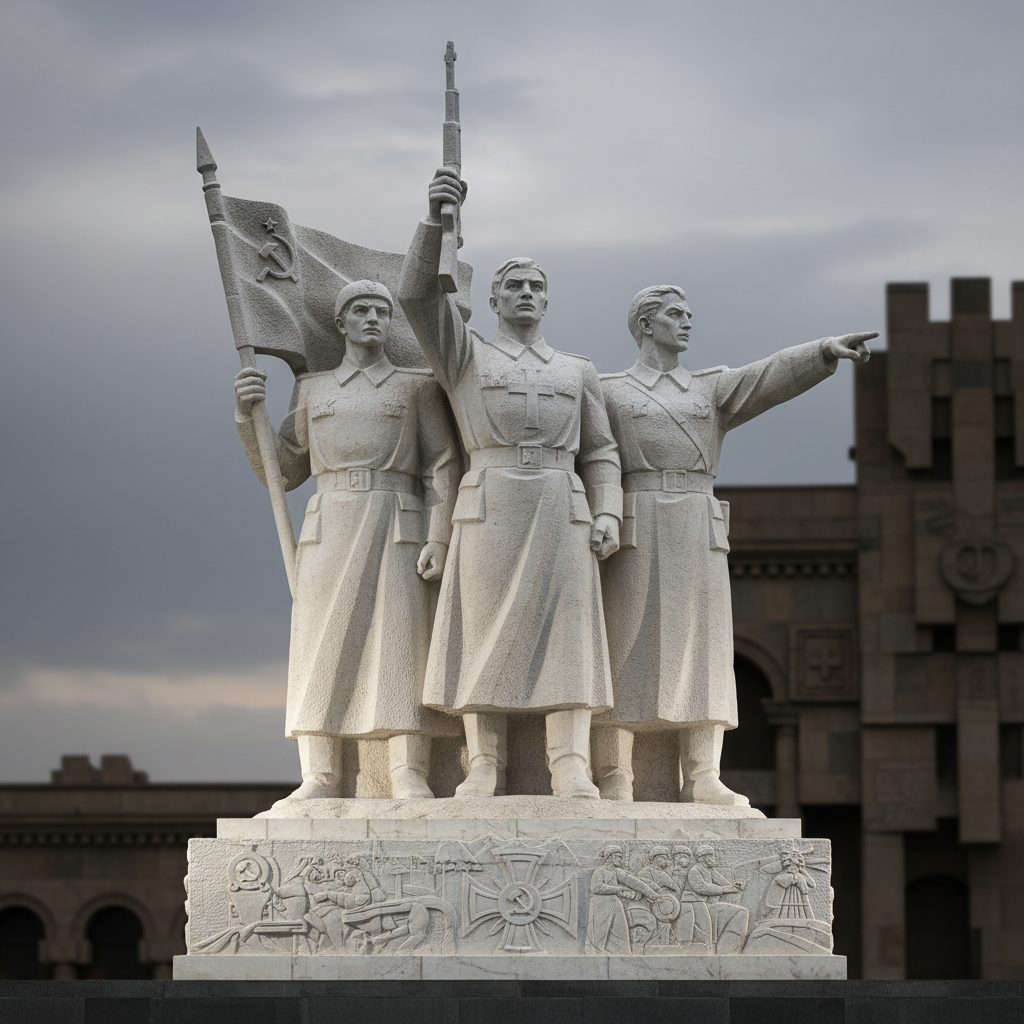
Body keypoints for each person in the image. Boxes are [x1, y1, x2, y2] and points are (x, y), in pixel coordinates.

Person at [593, 285, 875, 804]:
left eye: (688, 314)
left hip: (698, 525)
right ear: (645, 324)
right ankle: (615, 773)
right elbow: (597, 459)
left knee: (703, 646)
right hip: (637, 520)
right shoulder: (610, 390)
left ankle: (702, 773)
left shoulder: (709, 388)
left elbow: (767, 377)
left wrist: (823, 350)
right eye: (675, 314)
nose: (686, 322)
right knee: (622, 643)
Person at [397, 169, 623, 799]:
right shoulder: (467, 357)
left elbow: (601, 449)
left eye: (536, 286)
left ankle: (569, 762)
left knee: (570, 633)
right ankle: (484, 764)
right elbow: (416, 299)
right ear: (494, 301)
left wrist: (609, 512)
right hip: (491, 502)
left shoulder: (578, 370)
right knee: (483, 630)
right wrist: (436, 218)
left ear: (547, 302)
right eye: (514, 285)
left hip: (560, 503)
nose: (526, 292)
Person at [234, 281, 460, 802]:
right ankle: (321, 772)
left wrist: (439, 535)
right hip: (330, 523)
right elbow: (285, 468)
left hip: (397, 519)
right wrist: (251, 419)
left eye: (382, 311)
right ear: (341, 323)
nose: (373, 319)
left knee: (402, 644)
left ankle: (408, 769)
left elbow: (441, 467)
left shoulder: (415, 386)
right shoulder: (314, 389)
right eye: (361, 310)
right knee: (319, 645)